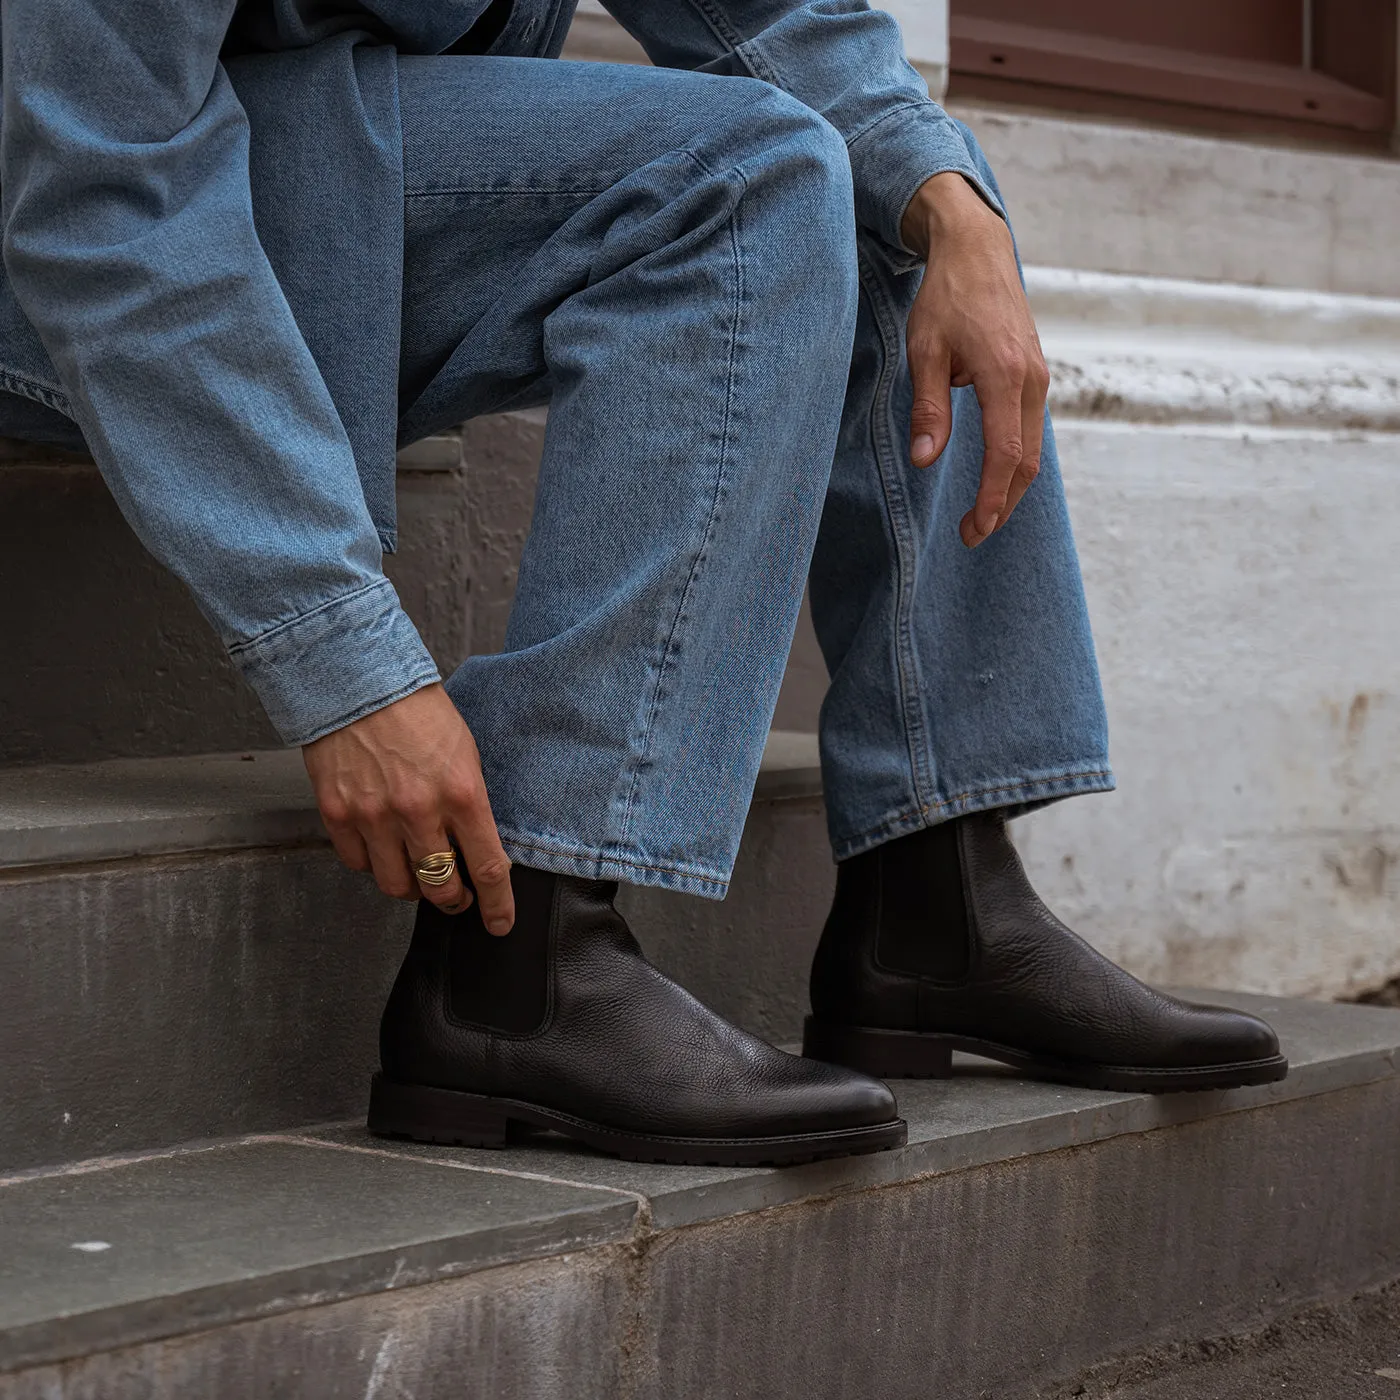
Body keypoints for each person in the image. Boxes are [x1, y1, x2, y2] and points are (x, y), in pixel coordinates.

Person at [0, 0, 1287, 1169]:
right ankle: (518, 972)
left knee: (890, 185)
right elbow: (105, 191)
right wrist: (339, 659)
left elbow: (768, 14)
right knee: (747, 176)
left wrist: (952, 202)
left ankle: (934, 896)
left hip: (318, 167)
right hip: (69, 222)